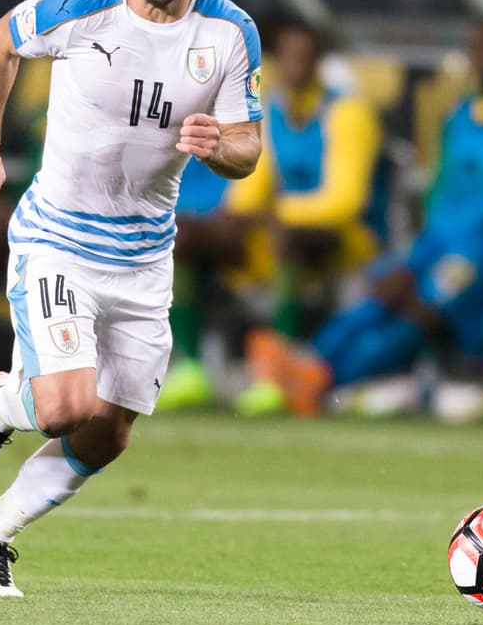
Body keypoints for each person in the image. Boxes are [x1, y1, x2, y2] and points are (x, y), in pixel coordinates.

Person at [0, 0, 263, 597]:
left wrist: (224, 147)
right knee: (62, 404)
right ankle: (2, 402)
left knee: (108, 431)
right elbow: (0, 42)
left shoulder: (229, 31)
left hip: (146, 259)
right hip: (57, 240)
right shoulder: (79, 11)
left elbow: (251, 145)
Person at [239, 22, 483, 417]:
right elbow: (439, 183)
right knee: (389, 288)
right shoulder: (459, 115)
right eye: (477, 50)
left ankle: (323, 380)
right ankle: (308, 363)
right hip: (439, 239)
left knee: (425, 309)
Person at [159, 22, 385, 410]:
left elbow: (346, 201)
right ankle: (190, 369)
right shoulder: (270, 110)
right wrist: (231, 217)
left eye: (304, 54)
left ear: (319, 58)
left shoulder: (347, 111)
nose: (294, 64)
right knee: (186, 236)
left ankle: (280, 376)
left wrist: (274, 215)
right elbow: (253, 182)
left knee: (286, 238)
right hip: (275, 234)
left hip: (341, 240)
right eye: (287, 55)